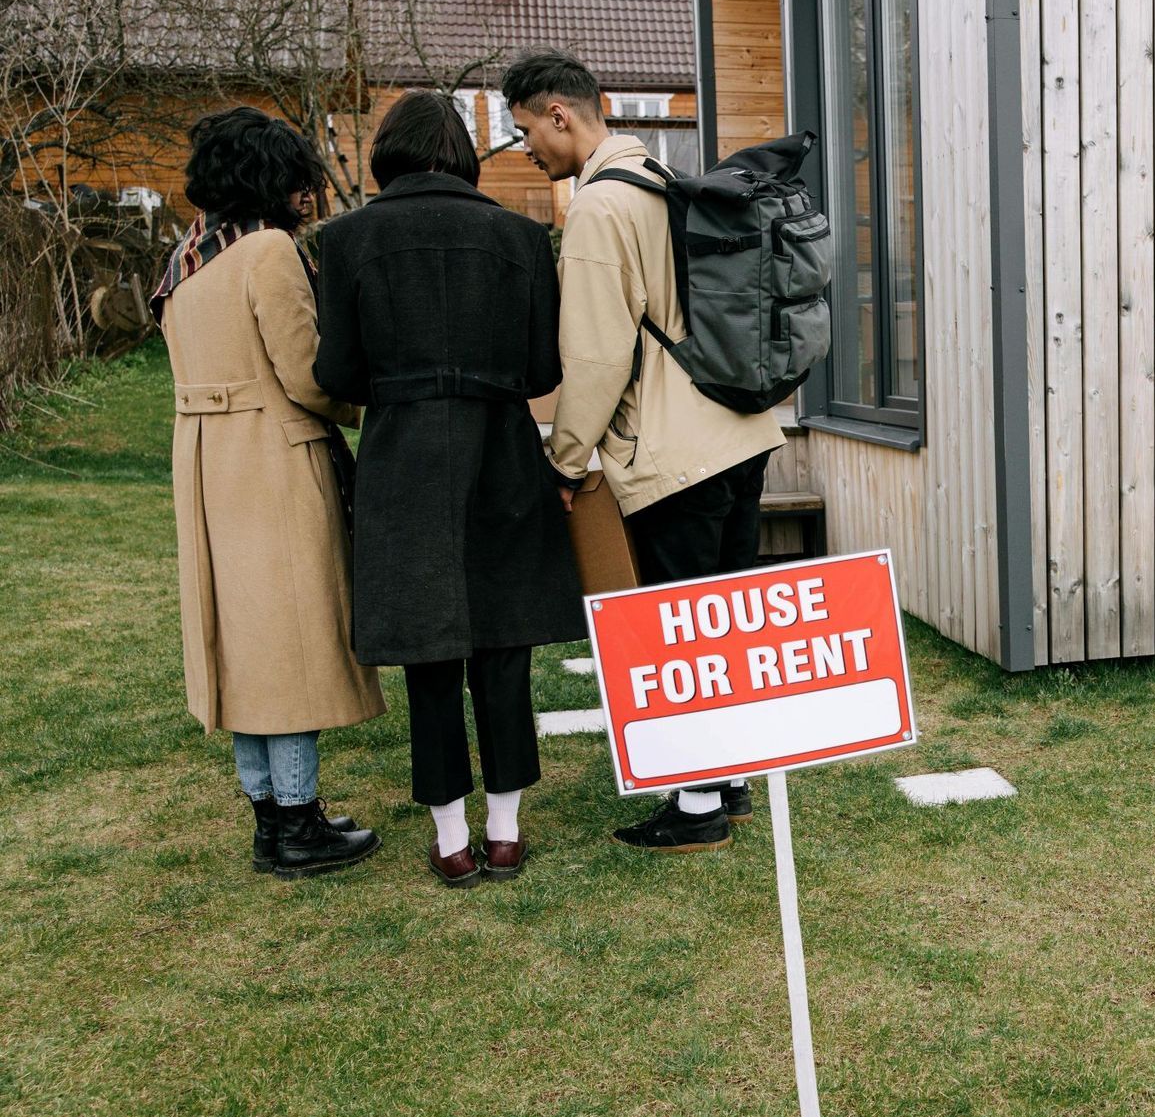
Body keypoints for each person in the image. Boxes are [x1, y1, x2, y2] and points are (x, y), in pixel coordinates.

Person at [502, 49, 788, 855]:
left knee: (680, 629)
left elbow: (595, 357)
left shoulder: (597, 208)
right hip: (738, 429)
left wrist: (563, 460)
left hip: (673, 448)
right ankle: (726, 782)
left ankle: (695, 805)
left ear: (562, 114)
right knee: (723, 621)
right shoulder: (664, 180)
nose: (527, 149)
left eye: (528, 131)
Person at [314, 89, 584, 889]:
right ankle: (504, 834)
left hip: (403, 457)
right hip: (501, 447)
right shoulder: (522, 237)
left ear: (388, 154)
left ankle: (450, 841)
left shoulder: (345, 238)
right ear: (464, 155)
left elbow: (336, 373)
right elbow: (543, 369)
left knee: (430, 653)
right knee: (503, 645)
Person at [152, 106, 384, 880]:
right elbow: (306, 375)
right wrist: (367, 403)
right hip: (273, 459)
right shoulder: (266, 251)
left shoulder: (185, 257)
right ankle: (297, 822)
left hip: (208, 462)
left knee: (244, 645)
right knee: (288, 644)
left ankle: (270, 818)